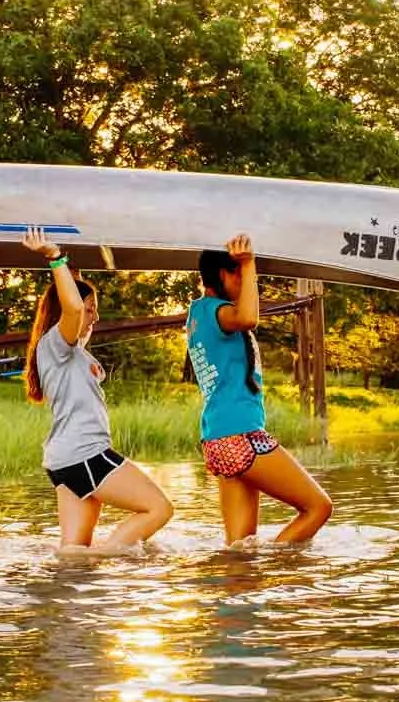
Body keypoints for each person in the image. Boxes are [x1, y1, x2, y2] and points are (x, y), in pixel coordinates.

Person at [21, 227, 173, 551]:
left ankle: (85, 575)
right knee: (159, 509)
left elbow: (73, 301)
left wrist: (70, 269)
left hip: (66, 461)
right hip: (85, 453)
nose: (95, 316)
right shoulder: (57, 344)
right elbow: (74, 309)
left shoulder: (71, 350)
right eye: (91, 309)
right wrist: (54, 258)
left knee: (74, 553)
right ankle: (108, 556)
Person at [187, 232, 331, 544]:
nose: (247, 284)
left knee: (241, 547)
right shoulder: (215, 311)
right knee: (318, 507)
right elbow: (248, 317)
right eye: (240, 276)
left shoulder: (199, 315)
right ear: (224, 274)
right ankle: (277, 567)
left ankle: (249, 574)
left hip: (219, 440)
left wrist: (245, 267)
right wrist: (248, 261)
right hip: (241, 435)